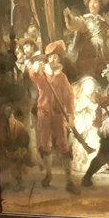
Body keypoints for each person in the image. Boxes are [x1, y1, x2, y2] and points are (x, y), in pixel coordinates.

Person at [28, 45, 80, 194]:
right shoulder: (42, 74)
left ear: (59, 59)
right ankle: (48, 174)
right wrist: (35, 68)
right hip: (44, 114)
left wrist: (71, 115)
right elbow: (33, 76)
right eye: (50, 57)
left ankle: (69, 180)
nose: (52, 60)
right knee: (45, 144)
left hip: (58, 115)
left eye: (55, 57)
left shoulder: (62, 77)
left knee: (63, 144)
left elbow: (70, 97)